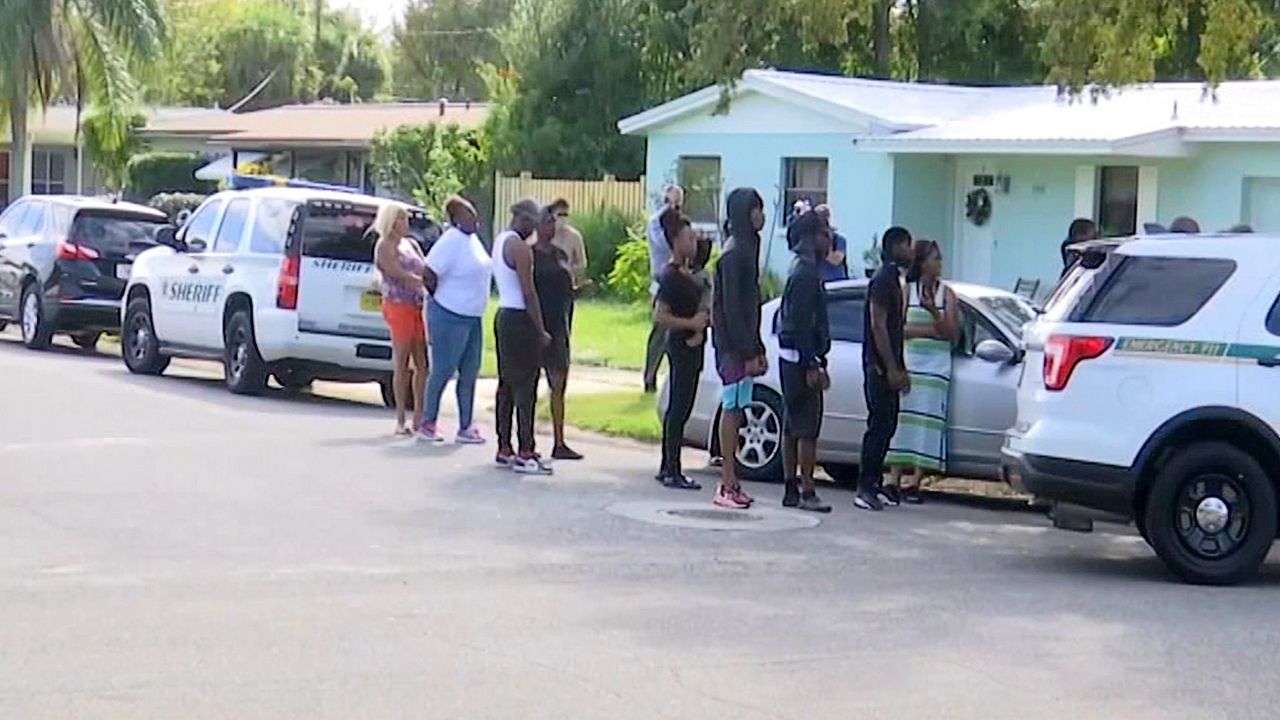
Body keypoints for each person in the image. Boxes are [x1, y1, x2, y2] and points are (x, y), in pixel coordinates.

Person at [883, 239, 959, 505]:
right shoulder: (908, 290)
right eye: (934, 258)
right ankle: (893, 479)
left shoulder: (946, 294)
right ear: (923, 262)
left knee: (927, 421)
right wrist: (928, 331)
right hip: (912, 361)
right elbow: (898, 327)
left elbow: (951, 334)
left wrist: (932, 313)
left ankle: (916, 480)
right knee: (904, 420)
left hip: (936, 368)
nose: (939, 263)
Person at [712, 188, 768, 510]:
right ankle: (726, 482)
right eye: (755, 209)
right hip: (732, 347)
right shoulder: (734, 256)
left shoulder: (748, 250)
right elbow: (733, 309)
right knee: (731, 408)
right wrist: (748, 351)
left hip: (743, 343)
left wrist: (757, 346)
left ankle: (733, 482)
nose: (760, 216)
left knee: (739, 408)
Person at [420, 196, 491, 444]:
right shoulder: (450, 241)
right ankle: (428, 421)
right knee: (443, 369)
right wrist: (438, 297)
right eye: (468, 214)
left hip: (472, 316)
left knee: (470, 371)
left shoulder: (472, 241)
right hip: (450, 313)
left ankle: (466, 425)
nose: (475, 218)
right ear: (456, 218)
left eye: (474, 213)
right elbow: (429, 273)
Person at [777, 211, 833, 513]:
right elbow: (800, 321)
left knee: (791, 423)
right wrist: (812, 362)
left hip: (792, 356)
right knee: (807, 428)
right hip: (801, 359)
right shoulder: (807, 273)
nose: (830, 239)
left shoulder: (798, 268)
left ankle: (790, 488)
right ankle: (807, 489)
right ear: (812, 238)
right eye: (825, 233)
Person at [494, 199, 554, 475]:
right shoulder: (520, 248)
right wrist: (540, 329)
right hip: (520, 318)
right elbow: (528, 292)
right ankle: (525, 450)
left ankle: (504, 446)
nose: (535, 227)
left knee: (506, 383)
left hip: (504, 313)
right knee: (525, 385)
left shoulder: (500, 240)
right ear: (524, 219)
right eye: (533, 221)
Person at [856, 226, 914, 512]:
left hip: (890, 365)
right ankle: (865, 486)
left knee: (888, 425)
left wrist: (901, 368)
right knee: (878, 426)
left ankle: (875, 484)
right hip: (877, 367)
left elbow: (896, 329)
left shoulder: (895, 280)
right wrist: (889, 366)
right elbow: (878, 324)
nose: (911, 251)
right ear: (895, 247)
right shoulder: (882, 280)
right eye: (907, 245)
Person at [654, 210, 710, 491]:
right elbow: (660, 316)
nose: (694, 242)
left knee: (682, 406)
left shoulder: (690, 274)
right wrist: (690, 324)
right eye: (689, 237)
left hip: (693, 345)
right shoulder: (671, 276)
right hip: (681, 345)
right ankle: (672, 468)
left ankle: (667, 465)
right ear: (675, 241)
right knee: (679, 407)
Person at [532, 205, 583, 461]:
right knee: (529, 384)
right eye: (546, 222)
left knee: (559, 383)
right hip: (536, 325)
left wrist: (578, 290)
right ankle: (526, 439)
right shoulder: (529, 256)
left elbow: (567, 288)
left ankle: (559, 441)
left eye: (553, 222)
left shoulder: (560, 254)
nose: (551, 227)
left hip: (560, 323)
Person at [373, 202, 428, 437]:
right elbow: (394, 271)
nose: (407, 224)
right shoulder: (385, 245)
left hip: (417, 305)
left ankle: (419, 417)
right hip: (398, 304)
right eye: (402, 219)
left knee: (422, 363)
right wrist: (417, 281)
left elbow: (424, 267)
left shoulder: (411, 244)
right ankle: (400, 419)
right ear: (392, 222)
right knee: (402, 361)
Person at [643, 185, 684, 393]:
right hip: (661, 282)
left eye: (678, 202)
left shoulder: (680, 223)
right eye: (671, 201)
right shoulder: (656, 223)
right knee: (659, 332)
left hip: (680, 282)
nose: (675, 206)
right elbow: (664, 246)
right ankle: (649, 377)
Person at [547, 198, 591, 327]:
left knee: (565, 324)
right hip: (547, 284)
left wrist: (572, 272)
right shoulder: (545, 234)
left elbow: (582, 262)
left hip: (566, 286)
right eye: (560, 214)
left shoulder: (574, 236)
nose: (563, 218)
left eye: (566, 215)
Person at [813, 204, 850, 283]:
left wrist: (826, 246)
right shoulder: (812, 240)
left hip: (837, 285)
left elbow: (836, 260)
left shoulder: (839, 240)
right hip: (818, 284)